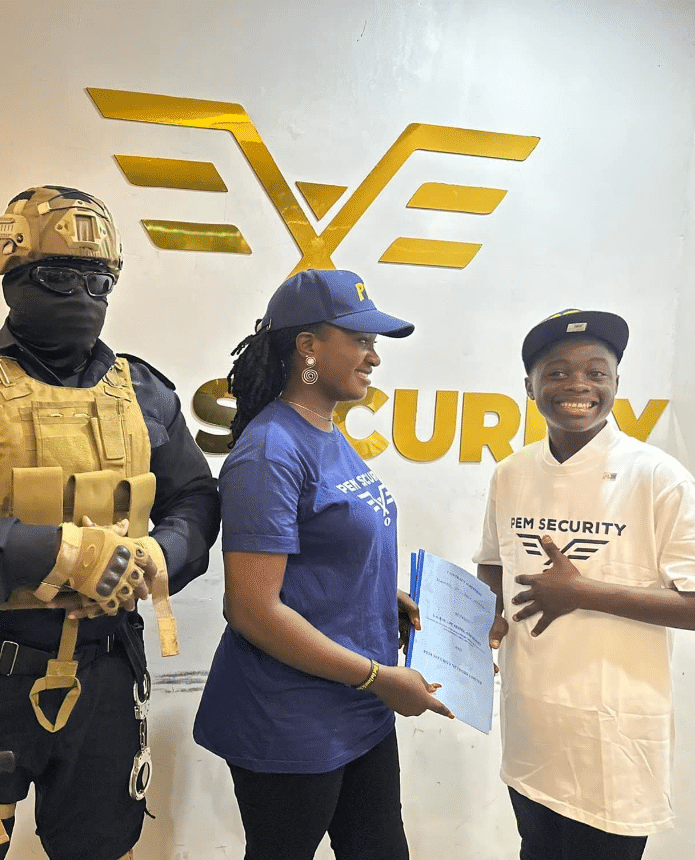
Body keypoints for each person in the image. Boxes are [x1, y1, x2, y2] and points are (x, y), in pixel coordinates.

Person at [0, 185, 220, 860]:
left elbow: (197, 499)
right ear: (13, 276)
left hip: (108, 671)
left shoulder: (145, 392)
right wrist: (61, 555)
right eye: (59, 275)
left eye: (99, 280)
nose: (82, 294)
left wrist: (159, 554)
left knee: (102, 845)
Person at [193, 268, 453, 860]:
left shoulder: (324, 430)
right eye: (360, 340)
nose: (374, 357)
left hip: (359, 706)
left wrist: (377, 597)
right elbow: (253, 610)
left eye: (373, 343)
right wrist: (379, 678)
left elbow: (324, 551)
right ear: (307, 346)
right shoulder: (270, 451)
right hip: (293, 719)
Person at [474, 308, 695, 860]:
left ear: (615, 383)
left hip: (616, 746)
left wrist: (585, 594)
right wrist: (489, 616)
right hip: (532, 732)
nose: (578, 385)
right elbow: (493, 562)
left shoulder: (656, 476)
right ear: (530, 387)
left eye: (596, 371)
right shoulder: (511, 473)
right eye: (557, 372)